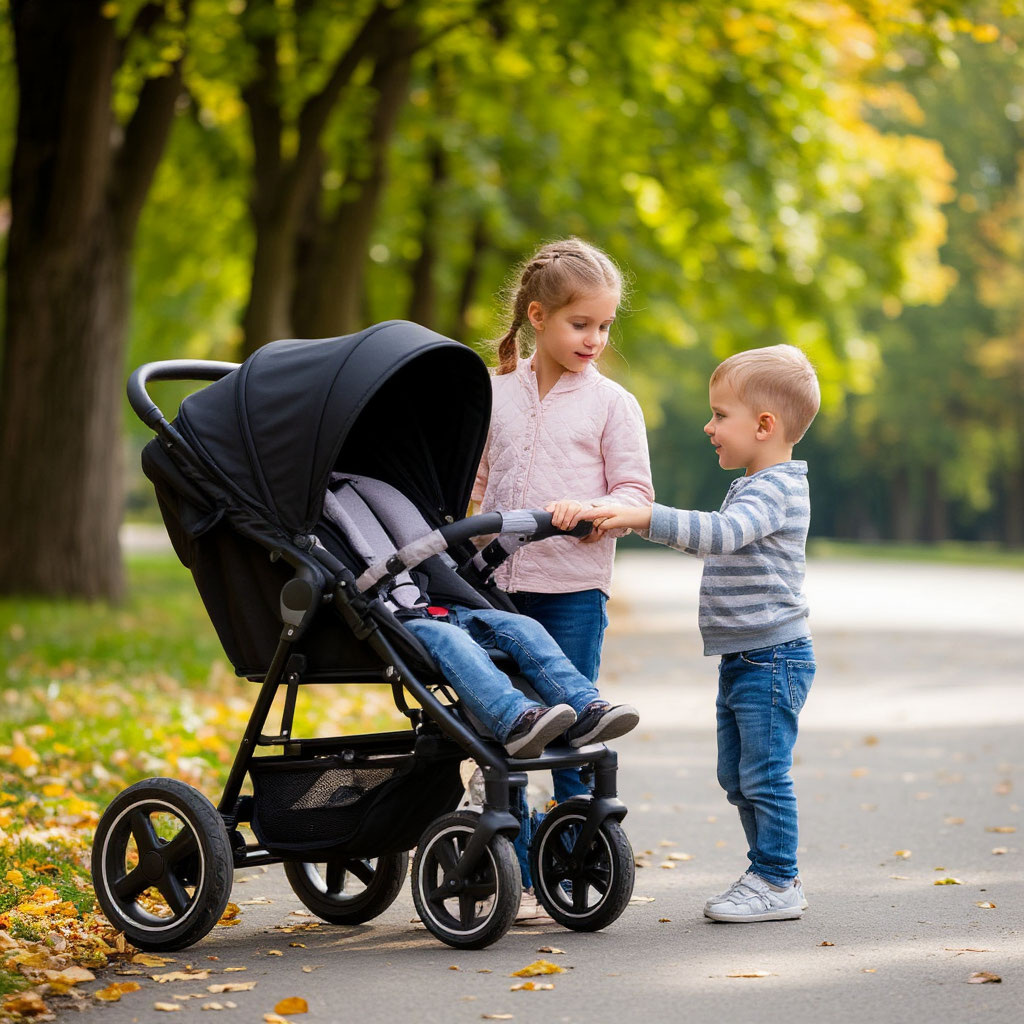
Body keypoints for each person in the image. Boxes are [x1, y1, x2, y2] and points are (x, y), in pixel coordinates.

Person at [579, 344, 820, 923]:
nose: (708, 426)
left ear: (765, 425)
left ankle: (776, 879)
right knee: (736, 774)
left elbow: (721, 534)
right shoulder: (755, 482)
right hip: (746, 657)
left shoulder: (776, 489)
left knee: (763, 774)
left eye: (719, 415)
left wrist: (645, 516)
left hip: (772, 656)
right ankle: (766, 872)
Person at [471, 237, 654, 917]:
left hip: (571, 588)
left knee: (572, 721)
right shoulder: (494, 396)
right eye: (583, 324)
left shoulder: (613, 405)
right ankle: (508, 865)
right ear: (539, 316)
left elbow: (634, 493)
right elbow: (479, 482)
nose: (596, 339)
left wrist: (596, 511)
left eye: (606, 326)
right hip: (495, 587)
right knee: (508, 725)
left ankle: (574, 844)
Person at [401, 604, 639, 759]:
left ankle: (584, 708)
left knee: (523, 625)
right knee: (452, 639)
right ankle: (515, 720)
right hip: (394, 619)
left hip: (437, 606)